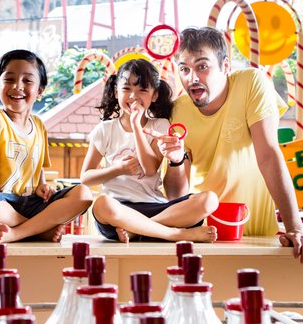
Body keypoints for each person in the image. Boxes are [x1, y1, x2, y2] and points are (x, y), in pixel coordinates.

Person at [148, 26, 303, 263]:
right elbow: (177, 195)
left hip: (259, 234)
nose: (192, 78)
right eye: (184, 69)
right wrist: (176, 161)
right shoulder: (178, 111)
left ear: (225, 66)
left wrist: (295, 227)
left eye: (202, 66)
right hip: (205, 237)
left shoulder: (252, 83)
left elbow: (268, 156)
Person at [0, 50, 93, 243]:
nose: (17, 86)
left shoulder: (39, 125)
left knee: (84, 194)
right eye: (9, 79)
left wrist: (42, 185)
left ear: (40, 90)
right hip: (2, 204)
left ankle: (17, 232)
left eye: (27, 80)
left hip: (33, 204)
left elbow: (37, 167)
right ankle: (39, 229)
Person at [81, 58, 218, 243]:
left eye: (142, 90)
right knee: (101, 204)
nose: (133, 96)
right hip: (119, 211)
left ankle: (137, 230)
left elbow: (150, 169)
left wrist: (136, 125)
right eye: (126, 88)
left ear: (154, 95)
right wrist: (118, 169)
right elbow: (86, 178)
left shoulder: (160, 125)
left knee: (209, 200)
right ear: (116, 92)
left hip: (154, 207)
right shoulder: (105, 129)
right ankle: (174, 234)